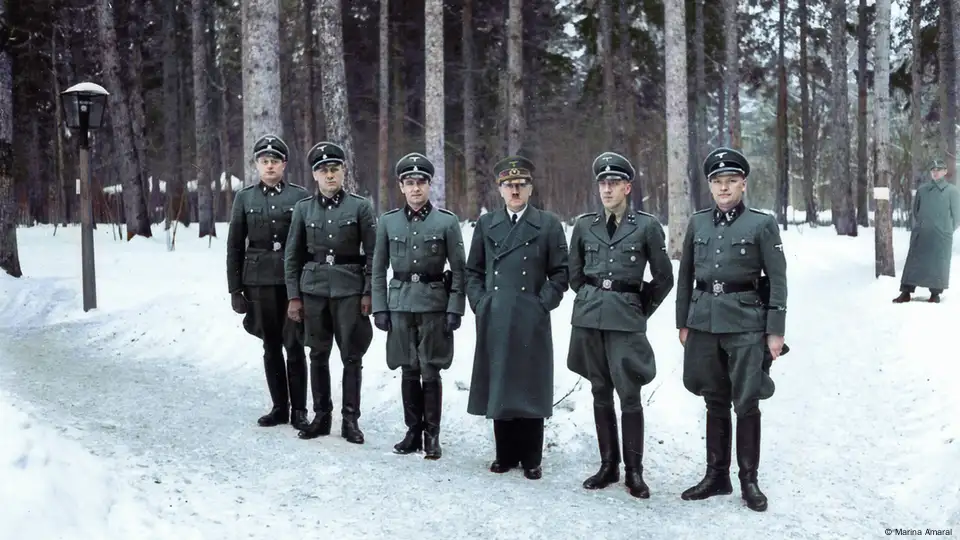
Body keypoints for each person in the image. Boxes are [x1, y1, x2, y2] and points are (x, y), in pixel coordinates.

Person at [675, 147, 787, 512]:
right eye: (717, 182)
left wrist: (775, 330)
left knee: (747, 399)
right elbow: (686, 274)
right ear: (710, 185)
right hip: (704, 321)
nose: (724, 188)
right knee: (714, 397)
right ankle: (716, 476)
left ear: (743, 184)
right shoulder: (698, 223)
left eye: (731, 181)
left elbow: (778, 279)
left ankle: (749, 480)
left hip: (745, 323)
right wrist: (683, 322)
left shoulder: (761, 223)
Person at [566, 152, 674, 498]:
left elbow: (664, 278)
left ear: (627, 187)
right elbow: (575, 274)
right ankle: (608, 465)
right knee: (600, 390)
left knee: (630, 394)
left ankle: (635, 472)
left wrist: (638, 308)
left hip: (626, 320)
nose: (607, 189)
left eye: (614, 183)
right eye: (603, 183)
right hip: (590, 318)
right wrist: (591, 298)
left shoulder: (646, 226)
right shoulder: (585, 226)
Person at [465, 155, 569, 480]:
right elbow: (472, 270)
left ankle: (532, 458)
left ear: (530, 188)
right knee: (501, 382)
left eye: (521, 185)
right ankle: (504, 455)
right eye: (509, 185)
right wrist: (482, 302)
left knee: (530, 383)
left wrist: (543, 303)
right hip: (496, 314)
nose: (515, 191)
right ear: (500, 189)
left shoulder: (548, 223)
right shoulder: (486, 224)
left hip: (531, 315)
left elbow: (561, 272)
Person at [370, 152, 466, 459]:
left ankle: (432, 435)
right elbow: (377, 268)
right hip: (399, 304)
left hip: (434, 303)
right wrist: (380, 308)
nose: (415, 189)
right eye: (409, 183)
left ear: (429, 185)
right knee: (408, 368)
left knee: (431, 368)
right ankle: (412, 431)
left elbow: (460, 270)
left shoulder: (446, 222)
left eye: (420, 182)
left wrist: (455, 308)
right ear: (401, 186)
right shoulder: (387, 222)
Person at [283, 141, 375, 444]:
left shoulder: (360, 207)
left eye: (334, 169)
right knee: (317, 354)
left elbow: (374, 254)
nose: (330, 175)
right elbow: (293, 256)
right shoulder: (303, 209)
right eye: (323, 170)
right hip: (314, 291)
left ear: (344, 171)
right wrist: (294, 296)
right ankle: (321, 417)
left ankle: (351, 420)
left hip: (349, 289)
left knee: (352, 356)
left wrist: (368, 292)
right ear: (314, 175)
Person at [226, 134, 310, 429]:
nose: (270, 166)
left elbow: (306, 244)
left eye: (275, 161)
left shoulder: (300, 197)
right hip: (258, 282)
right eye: (265, 161)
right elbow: (235, 245)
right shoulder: (245, 197)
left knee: (295, 344)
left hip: (291, 283)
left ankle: (300, 409)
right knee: (270, 345)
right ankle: (279, 408)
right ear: (257, 165)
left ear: (284, 164)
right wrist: (235, 289)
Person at [893, 159, 960, 304]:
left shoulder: (952, 191)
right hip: (922, 233)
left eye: (939, 169)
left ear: (945, 172)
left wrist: (946, 229)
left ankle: (935, 294)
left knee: (938, 264)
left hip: (941, 235)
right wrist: (923, 225)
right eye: (933, 170)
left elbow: (957, 216)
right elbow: (916, 211)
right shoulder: (922, 190)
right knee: (914, 263)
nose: (935, 172)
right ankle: (906, 292)